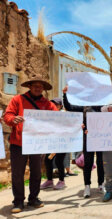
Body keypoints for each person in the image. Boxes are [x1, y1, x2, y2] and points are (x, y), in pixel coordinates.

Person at [3, 76, 58, 213]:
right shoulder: (17, 100)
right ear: (30, 86)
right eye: (35, 86)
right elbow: (7, 116)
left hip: (37, 144)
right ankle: (18, 201)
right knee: (17, 174)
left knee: (36, 173)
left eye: (40, 86)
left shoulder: (48, 104)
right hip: (18, 143)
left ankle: (33, 198)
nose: (38, 88)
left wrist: (75, 124)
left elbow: (59, 119)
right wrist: (13, 119)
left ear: (43, 89)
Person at [62, 84, 112, 198]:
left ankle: (101, 184)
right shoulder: (84, 106)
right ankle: (87, 186)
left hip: (101, 137)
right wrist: (64, 94)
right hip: (88, 136)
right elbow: (69, 107)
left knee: (100, 161)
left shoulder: (104, 106)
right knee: (88, 162)